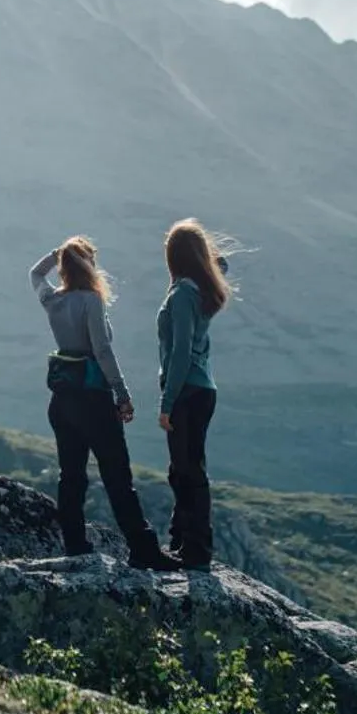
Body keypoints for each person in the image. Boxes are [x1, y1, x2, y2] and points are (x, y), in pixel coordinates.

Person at [32, 237, 172, 570]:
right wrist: (121, 393)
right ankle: (143, 549)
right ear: (89, 265)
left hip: (62, 398)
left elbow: (35, 274)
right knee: (117, 475)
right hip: (93, 398)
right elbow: (102, 351)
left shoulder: (52, 299)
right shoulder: (91, 301)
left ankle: (75, 546)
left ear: (65, 267)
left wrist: (56, 255)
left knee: (71, 475)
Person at [157, 218, 232, 569]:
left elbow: (181, 351)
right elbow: (221, 266)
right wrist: (205, 256)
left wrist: (167, 401)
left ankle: (196, 549)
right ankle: (182, 541)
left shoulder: (184, 294)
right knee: (184, 467)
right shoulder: (200, 289)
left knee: (187, 470)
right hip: (203, 389)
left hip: (187, 390)